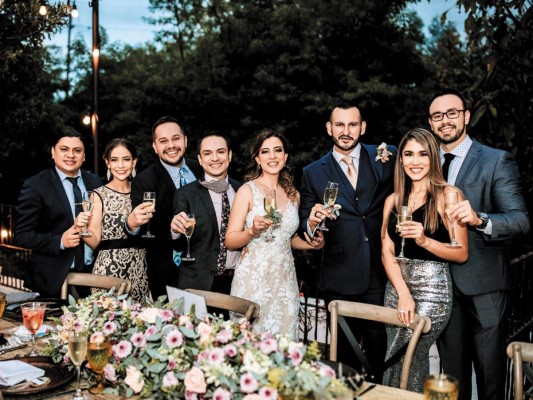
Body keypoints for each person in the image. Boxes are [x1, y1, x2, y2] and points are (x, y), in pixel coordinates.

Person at [428, 88, 530, 400]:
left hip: (485, 287)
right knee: (451, 379)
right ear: (430, 123)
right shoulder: (425, 163)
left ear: (466, 117)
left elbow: (521, 220)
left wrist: (480, 219)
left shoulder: (495, 160)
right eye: (437, 116)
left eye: (452, 113)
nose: (445, 121)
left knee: (489, 380)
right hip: (444, 288)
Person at [299, 103, 395, 381]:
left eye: (352, 124)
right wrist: (313, 221)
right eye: (339, 125)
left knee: (380, 355)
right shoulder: (313, 172)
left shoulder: (385, 157)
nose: (346, 131)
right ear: (329, 128)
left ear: (362, 127)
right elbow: (306, 219)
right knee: (344, 362)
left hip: (380, 273)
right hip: (339, 276)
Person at [381, 128, 468, 392]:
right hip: (397, 290)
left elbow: (462, 253)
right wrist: (403, 292)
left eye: (422, 154)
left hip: (433, 291)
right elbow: (387, 252)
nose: (415, 161)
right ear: (401, 160)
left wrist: (424, 240)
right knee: (393, 356)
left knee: (411, 357)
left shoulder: (449, 196)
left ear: (433, 158)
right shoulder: (393, 200)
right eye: (408, 154)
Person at [225, 129, 324, 341]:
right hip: (253, 278)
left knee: (285, 342)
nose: (272, 156)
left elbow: (288, 239)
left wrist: (312, 245)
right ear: (257, 159)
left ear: (285, 156)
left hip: (285, 280)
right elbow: (230, 240)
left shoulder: (293, 195)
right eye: (265, 151)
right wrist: (252, 231)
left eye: (278, 150)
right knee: (249, 343)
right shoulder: (247, 191)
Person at [14, 130, 102, 298]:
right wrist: (60, 241)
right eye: (64, 149)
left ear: (84, 156)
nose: (71, 155)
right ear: (53, 152)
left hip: (93, 276)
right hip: (53, 280)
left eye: (77, 150)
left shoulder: (95, 181)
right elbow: (21, 235)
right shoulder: (36, 185)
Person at [126, 116, 203, 299]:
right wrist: (132, 224)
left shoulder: (202, 169)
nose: (171, 145)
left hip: (206, 269)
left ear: (185, 140)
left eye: (176, 138)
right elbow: (141, 232)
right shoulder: (143, 181)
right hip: (168, 273)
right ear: (155, 147)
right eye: (163, 141)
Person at [75, 138, 149, 304]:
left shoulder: (143, 193)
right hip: (108, 271)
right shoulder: (99, 195)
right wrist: (79, 228)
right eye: (114, 160)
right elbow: (94, 242)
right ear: (107, 162)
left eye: (126, 159)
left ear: (134, 162)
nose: (121, 166)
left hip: (140, 271)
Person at [170, 132, 242, 299]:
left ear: (229, 155)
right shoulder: (185, 194)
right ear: (200, 159)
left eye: (221, 151)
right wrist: (175, 231)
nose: (215, 158)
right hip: (197, 285)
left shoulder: (243, 190)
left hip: (238, 284)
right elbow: (180, 247)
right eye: (208, 153)